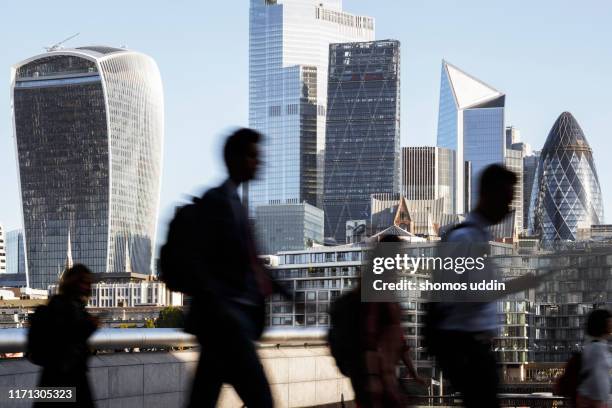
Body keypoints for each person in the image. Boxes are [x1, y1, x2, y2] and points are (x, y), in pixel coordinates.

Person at [427, 164, 542, 408]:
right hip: (468, 350)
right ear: (489, 195)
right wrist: (520, 283)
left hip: (474, 349)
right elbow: (473, 293)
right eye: (505, 200)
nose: (507, 210)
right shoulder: (465, 238)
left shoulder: (477, 238)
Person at [186, 128, 286, 408]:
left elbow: (250, 262)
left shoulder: (235, 204)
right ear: (236, 158)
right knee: (262, 402)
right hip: (229, 325)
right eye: (254, 156)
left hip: (227, 325)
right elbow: (201, 260)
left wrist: (284, 290)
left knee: (202, 400)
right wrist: (223, 307)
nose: (260, 162)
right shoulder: (217, 202)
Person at [33, 264, 97, 408]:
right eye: (84, 282)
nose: (87, 287)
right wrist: (89, 327)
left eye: (88, 283)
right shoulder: (66, 308)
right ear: (74, 283)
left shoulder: (62, 305)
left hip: (53, 379)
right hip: (66, 378)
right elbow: (67, 337)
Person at [577, 308, 612, 408]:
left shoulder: (598, 346)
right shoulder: (597, 349)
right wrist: (600, 402)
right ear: (602, 324)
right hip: (594, 402)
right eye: (609, 322)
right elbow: (598, 379)